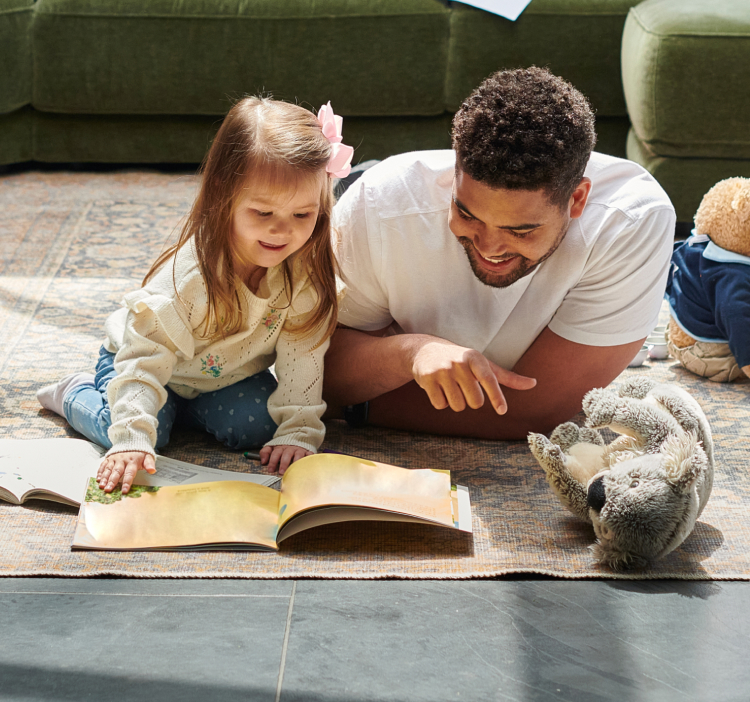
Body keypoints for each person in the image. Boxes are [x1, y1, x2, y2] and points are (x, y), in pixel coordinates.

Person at [324, 66, 676, 439]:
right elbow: (314, 369)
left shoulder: (631, 222)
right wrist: (411, 353)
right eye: (466, 214)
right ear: (454, 172)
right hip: (365, 192)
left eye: (520, 230)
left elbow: (534, 411)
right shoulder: (379, 204)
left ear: (577, 200)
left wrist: (353, 405)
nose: (489, 247)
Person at [37, 97, 353, 490]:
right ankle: (75, 392)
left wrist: (298, 432)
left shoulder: (302, 273)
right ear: (224, 193)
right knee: (144, 436)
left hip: (223, 377)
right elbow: (143, 361)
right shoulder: (188, 279)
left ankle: (182, 413)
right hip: (144, 364)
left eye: (302, 215)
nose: (282, 231)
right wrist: (132, 436)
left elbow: (303, 355)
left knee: (261, 426)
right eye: (263, 213)